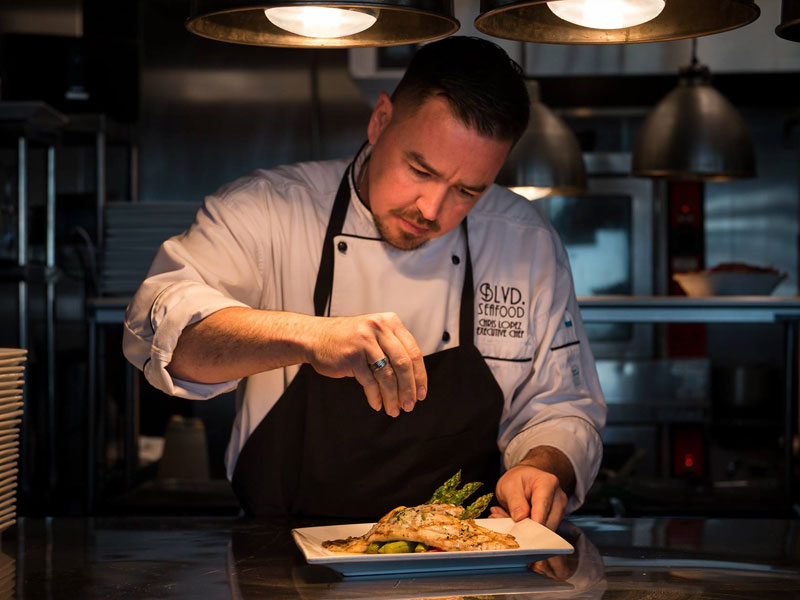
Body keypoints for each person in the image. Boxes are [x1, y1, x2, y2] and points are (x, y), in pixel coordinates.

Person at [123, 36, 606, 529]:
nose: (431, 209)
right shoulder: (268, 209)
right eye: (419, 169)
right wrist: (309, 336)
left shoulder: (527, 244)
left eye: (467, 191)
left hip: (466, 556)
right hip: (279, 558)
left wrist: (544, 466)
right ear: (380, 121)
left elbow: (563, 405)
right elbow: (165, 330)